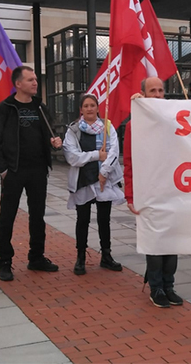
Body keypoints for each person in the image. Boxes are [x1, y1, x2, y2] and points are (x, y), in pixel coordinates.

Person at [0, 66, 63, 281]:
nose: (35, 83)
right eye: (30, 80)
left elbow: (50, 133)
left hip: (38, 170)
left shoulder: (40, 107)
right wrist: (3, 168)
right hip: (13, 171)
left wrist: (55, 142)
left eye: (35, 80)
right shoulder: (5, 108)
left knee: (38, 216)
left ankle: (36, 257)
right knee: (7, 216)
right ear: (18, 84)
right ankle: (4, 261)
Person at [124, 77, 184, 308]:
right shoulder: (134, 126)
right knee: (155, 241)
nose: (158, 95)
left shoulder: (174, 120)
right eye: (152, 91)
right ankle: (156, 287)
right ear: (143, 94)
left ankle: (169, 286)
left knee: (172, 242)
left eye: (161, 91)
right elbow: (128, 162)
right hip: (148, 192)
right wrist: (130, 195)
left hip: (172, 190)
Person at [63, 93, 125, 275]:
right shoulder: (73, 130)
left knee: (104, 219)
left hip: (103, 180)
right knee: (82, 219)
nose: (90, 108)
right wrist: (97, 155)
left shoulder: (107, 126)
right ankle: (80, 257)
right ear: (81, 109)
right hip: (83, 179)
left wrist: (104, 171)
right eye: (86, 106)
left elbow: (114, 150)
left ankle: (106, 255)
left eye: (93, 105)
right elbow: (72, 157)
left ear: (98, 108)